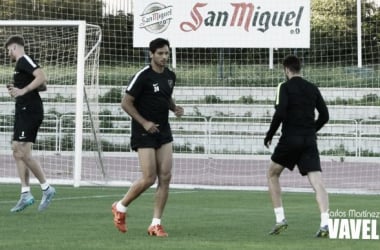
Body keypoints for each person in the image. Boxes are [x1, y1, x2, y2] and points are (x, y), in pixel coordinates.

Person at [112, 38, 184, 237]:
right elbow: (125, 103)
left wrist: (174, 107)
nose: (163, 57)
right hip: (143, 130)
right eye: (160, 53)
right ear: (151, 54)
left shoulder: (170, 76)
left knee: (166, 176)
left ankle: (155, 223)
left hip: (163, 130)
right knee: (149, 178)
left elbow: (165, 95)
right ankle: (120, 206)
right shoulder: (142, 76)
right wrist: (144, 122)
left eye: (166, 53)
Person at [264, 55, 330, 237]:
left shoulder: (284, 87)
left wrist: (270, 134)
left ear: (286, 69)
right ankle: (325, 223)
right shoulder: (312, 88)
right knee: (317, 182)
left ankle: (280, 219)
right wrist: (311, 130)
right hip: (309, 140)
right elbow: (325, 115)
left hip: (290, 139)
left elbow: (280, 112)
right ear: (300, 68)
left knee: (272, 174)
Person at [5, 35, 56, 212]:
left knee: (24, 152)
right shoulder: (20, 65)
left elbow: (42, 77)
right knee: (16, 150)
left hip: (30, 110)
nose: (8, 54)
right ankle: (25, 194)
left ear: (13, 47)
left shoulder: (23, 59)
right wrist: (18, 89)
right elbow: (43, 85)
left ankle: (47, 188)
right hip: (23, 110)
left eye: (8, 51)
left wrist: (24, 90)